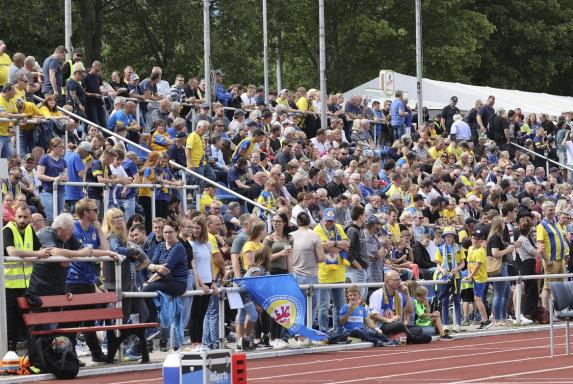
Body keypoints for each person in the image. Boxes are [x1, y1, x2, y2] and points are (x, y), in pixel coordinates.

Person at [28, 213, 117, 299]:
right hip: (40, 287)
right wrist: (80, 254)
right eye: (69, 231)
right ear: (59, 229)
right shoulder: (46, 233)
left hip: (58, 288)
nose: (71, 234)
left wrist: (108, 253)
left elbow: (88, 251)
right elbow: (53, 251)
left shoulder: (68, 236)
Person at [3, 204, 50, 351]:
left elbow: (39, 249)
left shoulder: (29, 229)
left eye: (25, 217)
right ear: (14, 217)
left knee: (30, 321)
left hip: (28, 285)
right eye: (19, 217)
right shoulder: (7, 230)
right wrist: (38, 254)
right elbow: (12, 252)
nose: (22, 220)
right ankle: (9, 354)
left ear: (30, 218)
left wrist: (45, 252)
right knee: (12, 322)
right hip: (10, 286)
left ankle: (34, 355)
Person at [142, 222, 189, 352]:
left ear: (176, 232)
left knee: (145, 290)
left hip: (177, 283)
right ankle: (151, 322)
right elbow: (150, 265)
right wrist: (157, 267)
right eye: (165, 232)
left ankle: (152, 323)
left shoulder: (178, 247)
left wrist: (149, 282)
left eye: (170, 232)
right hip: (164, 281)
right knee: (145, 290)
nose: (167, 235)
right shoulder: (162, 245)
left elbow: (166, 269)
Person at [314, 208, 350, 336]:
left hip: (339, 272)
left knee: (339, 305)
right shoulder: (317, 229)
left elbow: (347, 244)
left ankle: (339, 331)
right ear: (322, 219)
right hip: (324, 273)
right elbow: (325, 247)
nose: (329, 223)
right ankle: (323, 332)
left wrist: (334, 243)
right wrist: (339, 246)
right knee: (323, 306)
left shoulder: (339, 227)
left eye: (331, 221)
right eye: (327, 221)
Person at [290, 211, 324, 343]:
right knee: (312, 307)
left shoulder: (291, 235)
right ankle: (308, 335)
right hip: (310, 276)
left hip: (294, 275)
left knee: (298, 307)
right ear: (309, 222)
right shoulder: (314, 235)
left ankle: (300, 337)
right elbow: (321, 258)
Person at [189, 217, 214, 350]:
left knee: (202, 314)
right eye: (193, 227)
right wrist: (200, 284)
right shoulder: (190, 244)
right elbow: (194, 267)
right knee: (195, 313)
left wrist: (213, 282)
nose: (195, 230)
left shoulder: (207, 244)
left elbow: (210, 264)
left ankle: (200, 342)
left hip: (208, 281)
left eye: (198, 228)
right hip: (198, 283)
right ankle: (194, 342)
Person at [536, 201, 566, 312]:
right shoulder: (541, 225)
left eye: (553, 209)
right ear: (543, 211)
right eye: (550, 210)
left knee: (559, 287)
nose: (552, 212)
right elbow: (540, 244)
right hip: (551, 261)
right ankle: (546, 312)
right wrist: (547, 259)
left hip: (560, 259)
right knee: (547, 287)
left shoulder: (555, 223)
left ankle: (558, 312)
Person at [487, 216, 517, 325]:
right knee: (499, 293)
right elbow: (495, 253)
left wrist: (510, 246)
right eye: (503, 223)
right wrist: (507, 250)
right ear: (499, 224)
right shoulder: (495, 237)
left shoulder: (497, 236)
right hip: (499, 267)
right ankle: (497, 318)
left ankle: (503, 317)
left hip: (502, 266)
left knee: (506, 292)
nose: (505, 225)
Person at [435, 226, 466, 331]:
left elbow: (463, 264)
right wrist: (442, 270)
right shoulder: (440, 248)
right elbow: (438, 265)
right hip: (444, 277)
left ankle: (457, 324)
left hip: (456, 276)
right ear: (444, 237)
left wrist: (456, 269)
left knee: (457, 299)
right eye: (447, 236)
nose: (449, 238)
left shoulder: (459, 248)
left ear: (454, 237)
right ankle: (445, 324)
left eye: (451, 235)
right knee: (444, 300)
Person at [463, 230, 492, 330]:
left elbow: (477, 266)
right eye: (473, 238)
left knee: (478, 299)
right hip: (474, 277)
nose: (475, 240)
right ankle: (484, 319)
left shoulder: (481, 251)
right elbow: (468, 263)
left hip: (480, 278)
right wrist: (468, 275)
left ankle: (485, 320)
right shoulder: (470, 248)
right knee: (477, 299)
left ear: (481, 240)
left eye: (477, 239)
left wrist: (470, 276)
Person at [37, 138, 67, 222]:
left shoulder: (63, 161)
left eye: (63, 147)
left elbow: (66, 175)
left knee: (59, 218)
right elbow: (39, 175)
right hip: (48, 191)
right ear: (53, 147)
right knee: (50, 217)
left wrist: (64, 178)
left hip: (61, 191)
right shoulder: (45, 159)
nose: (62, 149)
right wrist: (54, 179)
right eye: (60, 147)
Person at [345, 205, 369, 299]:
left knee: (362, 299)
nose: (365, 218)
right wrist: (359, 268)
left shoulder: (360, 230)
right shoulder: (352, 230)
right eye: (365, 215)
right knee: (357, 300)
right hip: (355, 271)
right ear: (360, 216)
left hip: (361, 270)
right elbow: (348, 253)